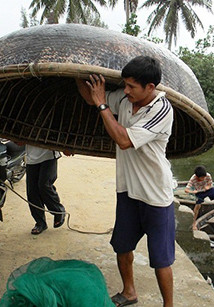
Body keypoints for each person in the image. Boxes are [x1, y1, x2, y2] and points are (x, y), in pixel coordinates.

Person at [76, 56, 175, 307]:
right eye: (125, 85)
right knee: (122, 245)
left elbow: (123, 140)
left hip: (155, 195)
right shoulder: (124, 98)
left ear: (150, 87)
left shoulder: (161, 109)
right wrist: (76, 71)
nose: (126, 90)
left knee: (161, 259)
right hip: (128, 190)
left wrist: (101, 105)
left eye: (132, 86)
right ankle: (129, 291)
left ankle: (169, 305)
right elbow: (91, 97)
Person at [25, 145, 66, 235]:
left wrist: (65, 148)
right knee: (32, 192)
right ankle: (40, 223)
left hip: (49, 154)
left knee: (44, 185)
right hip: (31, 157)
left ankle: (58, 211)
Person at [184, 165, 214, 230]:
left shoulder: (208, 175)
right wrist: (193, 192)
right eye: (202, 177)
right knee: (197, 206)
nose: (203, 178)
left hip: (209, 189)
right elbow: (186, 190)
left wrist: (207, 187)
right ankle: (194, 223)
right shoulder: (193, 179)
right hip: (199, 191)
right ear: (197, 177)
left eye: (204, 177)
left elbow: (209, 184)